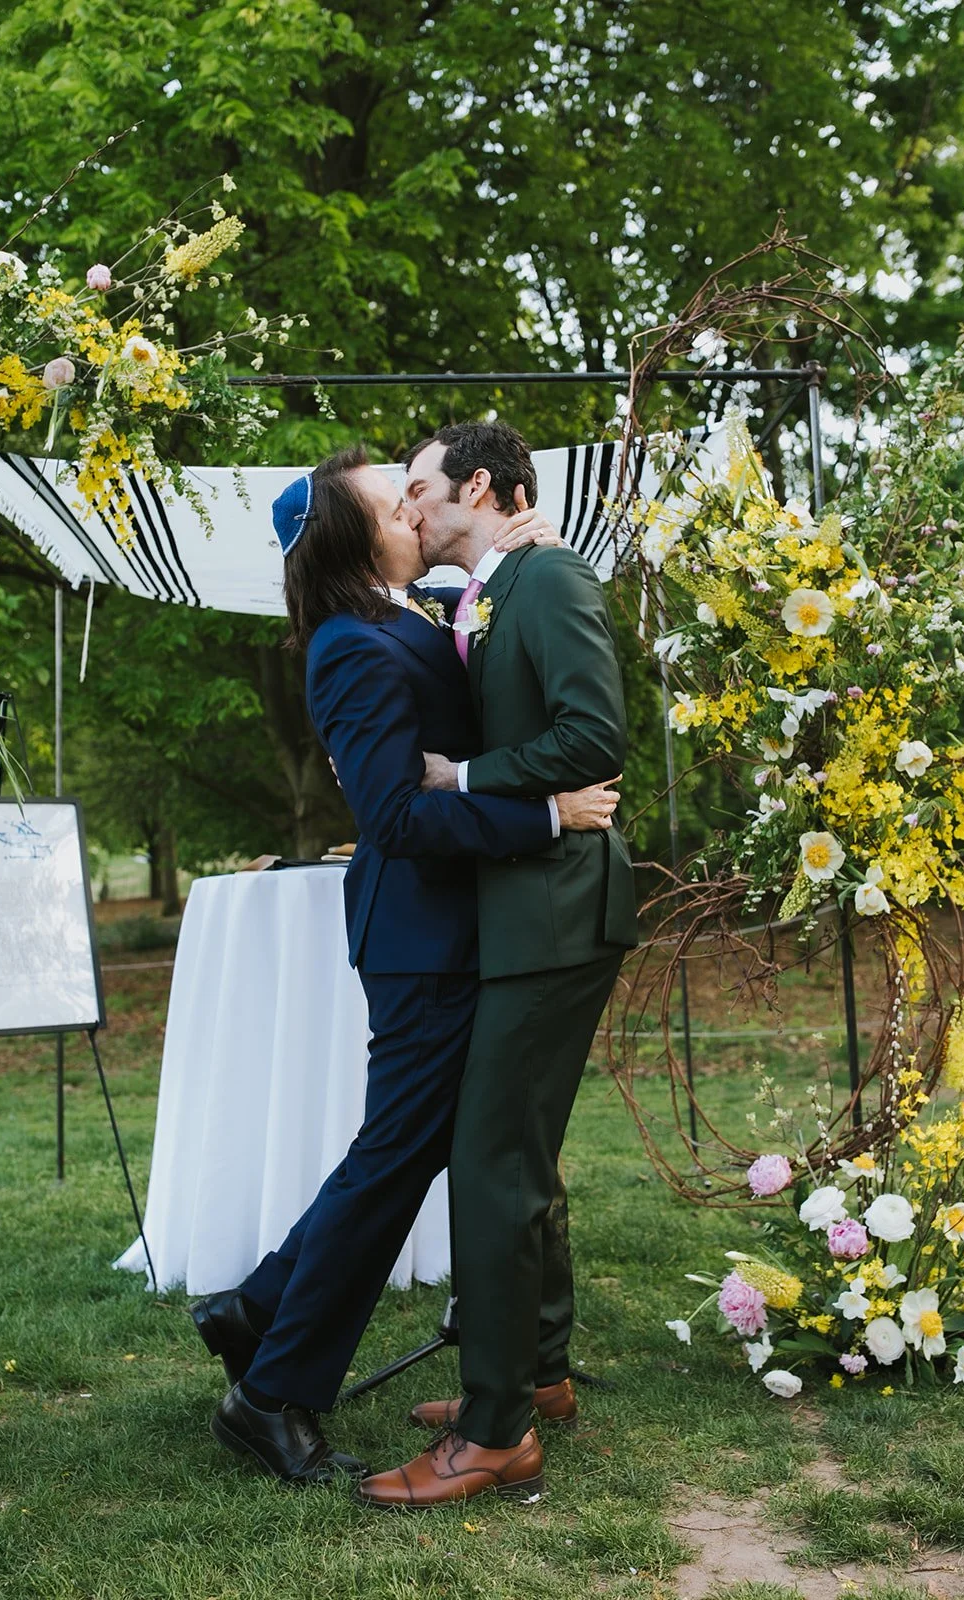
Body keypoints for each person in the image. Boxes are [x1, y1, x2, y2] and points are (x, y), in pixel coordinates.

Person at [191, 445, 619, 1486]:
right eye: (393, 501)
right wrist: (540, 810)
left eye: (417, 491)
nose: (413, 510)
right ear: (352, 536)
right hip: (421, 940)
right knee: (397, 1159)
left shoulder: (412, 608)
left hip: (461, 932)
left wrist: (519, 545)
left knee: (411, 1151)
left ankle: (255, 1307)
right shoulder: (347, 644)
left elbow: (484, 587)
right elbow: (390, 812)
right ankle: (274, 1390)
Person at [357, 422, 638, 1508]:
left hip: (558, 912)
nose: (411, 510)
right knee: (517, 1157)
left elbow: (592, 735)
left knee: (488, 1165)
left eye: (422, 489)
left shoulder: (550, 574)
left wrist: (458, 774)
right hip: (520, 913)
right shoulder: (487, 592)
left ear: (481, 485)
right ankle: (539, 1372)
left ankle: (494, 1431)